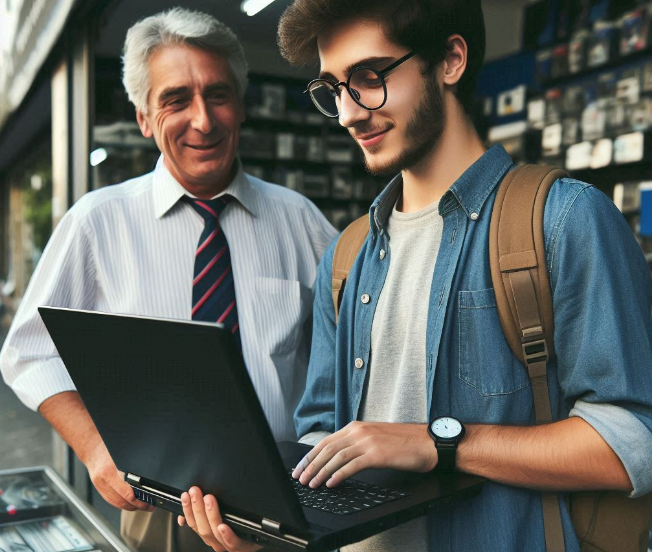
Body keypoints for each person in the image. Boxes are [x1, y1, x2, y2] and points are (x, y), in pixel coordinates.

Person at [178, 1, 652, 551]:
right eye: (334, 88)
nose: (350, 112)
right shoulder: (345, 254)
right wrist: (270, 522)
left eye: (369, 78)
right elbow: (321, 438)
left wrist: (438, 443)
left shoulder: (565, 220)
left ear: (450, 60)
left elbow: (634, 442)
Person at [0, 7, 337, 552]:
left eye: (218, 94)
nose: (203, 121)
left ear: (241, 106)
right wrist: (94, 450)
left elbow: (347, 355)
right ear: (143, 117)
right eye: (176, 99)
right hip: (162, 514)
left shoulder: (300, 221)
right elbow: (27, 352)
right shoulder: (98, 221)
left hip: (290, 507)